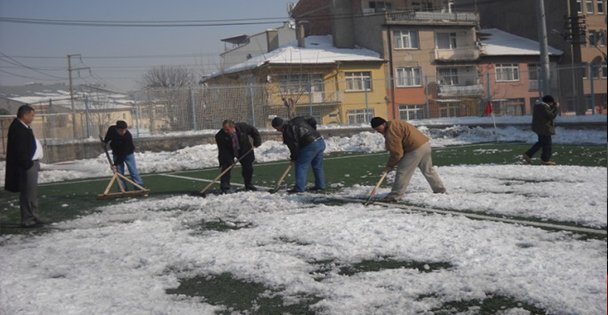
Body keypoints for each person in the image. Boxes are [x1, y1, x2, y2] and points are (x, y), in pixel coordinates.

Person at [370, 117, 445, 202]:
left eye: (379, 129)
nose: (378, 132)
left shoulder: (391, 131)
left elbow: (397, 153)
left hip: (414, 149)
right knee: (428, 169)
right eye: (376, 130)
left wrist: (389, 166)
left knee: (403, 172)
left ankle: (395, 195)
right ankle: (440, 189)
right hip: (425, 144)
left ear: (383, 124)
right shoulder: (395, 123)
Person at [4, 105, 44, 227]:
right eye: (31, 115)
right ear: (25, 115)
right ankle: (28, 219)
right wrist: (28, 163)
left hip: (31, 163)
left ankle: (33, 215)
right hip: (26, 165)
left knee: (31, 193)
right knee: (27, 193)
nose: (33, 118)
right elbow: (19, 149)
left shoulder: (24, 127)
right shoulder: (17, 128)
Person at [271, 116, 326, 193]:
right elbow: (312, 120)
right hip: (320, 141)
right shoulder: (298, 119)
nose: (277, 130)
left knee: (301, 166)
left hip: (310, 145)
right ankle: (320, 185)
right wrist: (313, 130)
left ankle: (299, 188)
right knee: (317, 166)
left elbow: (294, 146)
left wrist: (294, 157)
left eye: (277, 129)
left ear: (278, 127)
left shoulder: (287, 131)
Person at [215, 120, 262, 193]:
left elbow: (253, 131)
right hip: (229, 151)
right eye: (224, 129)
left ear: (232, 127)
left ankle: (248, 185)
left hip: (244, 149)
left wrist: (257, 141)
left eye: (227, 129)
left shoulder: (242, 127)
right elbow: (223, 151)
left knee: (248, 167)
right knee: (226, 166)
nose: (225, 131)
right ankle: (225, 187)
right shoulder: (220, 136)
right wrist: (229, 160)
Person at [103, 120, 144, 190]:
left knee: (133, 171)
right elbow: (108, 138)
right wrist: (104, 142)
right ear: (117, 129)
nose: (123, 132)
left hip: (127, 153)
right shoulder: (112, 129)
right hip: (116, 152)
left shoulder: (128, 137)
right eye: (121, 131)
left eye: (124, 130)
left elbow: (123, 154)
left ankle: (139, 187)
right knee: (119, 173)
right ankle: (122, 188)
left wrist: (115, 164)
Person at [523, 95, 559, 165]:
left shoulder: (539, 106)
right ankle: (545, 160)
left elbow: (547, 113)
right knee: (547, 145)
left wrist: (553, 107)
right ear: (549, 102)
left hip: (540, 128)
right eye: (552, 102)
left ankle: (528, 154)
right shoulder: (543, 107)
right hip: (544, 128)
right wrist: (556, 108)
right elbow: (551, 116)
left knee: (541, 143)